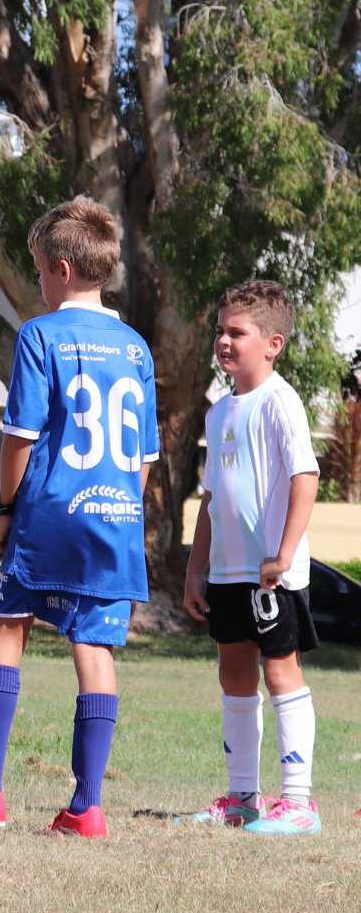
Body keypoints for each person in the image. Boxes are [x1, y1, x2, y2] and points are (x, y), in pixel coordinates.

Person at [0, 196, 158, 838]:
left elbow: (19, 438)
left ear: (61, 269)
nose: (36, 281)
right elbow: (144, 457)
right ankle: (87, 807)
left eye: (37, 270)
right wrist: (123, 512)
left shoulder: (41, 335)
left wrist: (7, 509)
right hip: (114, 521)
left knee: (8, 629)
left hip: (50, 516)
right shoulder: (138, 348)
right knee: (93, 646)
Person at [183, 280, 321, 835]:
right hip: (227, 574)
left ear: (273, 343)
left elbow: (305, 478)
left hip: (271, 575)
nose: (223, 340)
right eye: (219, 330)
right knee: (234, 674)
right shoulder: (219, 414)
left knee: (279, 670)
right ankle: (243, 796)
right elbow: (213, 498)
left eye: (236, 332)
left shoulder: (281, 402)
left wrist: (282, 555)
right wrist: (197, 568)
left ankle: (299, 802)